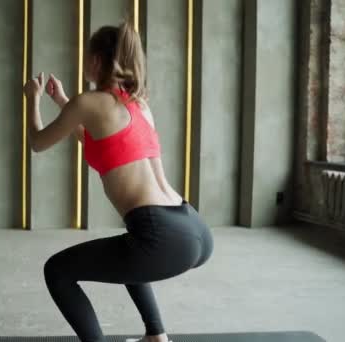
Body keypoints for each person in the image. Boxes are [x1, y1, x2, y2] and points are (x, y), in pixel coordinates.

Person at [22, 20, 213, 342]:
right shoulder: (137, 104)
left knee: (57, 270)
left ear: (96, 60)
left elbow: (38, 142)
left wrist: (33, 99)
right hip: (192, 226)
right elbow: (104, 144)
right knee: (128, 251)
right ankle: (157, 336)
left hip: (161, 236)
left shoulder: (90, 103)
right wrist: (62, 101)